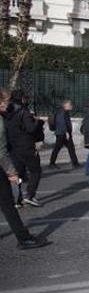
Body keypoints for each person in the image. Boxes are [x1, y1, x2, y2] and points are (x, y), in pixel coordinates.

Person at [0, 89, 47, 249]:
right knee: (6, 202)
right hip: (19, 152)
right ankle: (24, 237)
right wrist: (11, 171)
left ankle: (23, 236)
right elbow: (0, 149)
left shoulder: (7, 115)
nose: (6, 105)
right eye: (4, 102)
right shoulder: (19, 113)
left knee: (7, 202)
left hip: (14, 151)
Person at [4, 91, 44, 208]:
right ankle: (29, 196)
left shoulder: (7, 112)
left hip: (13, 147)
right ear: (21, 99)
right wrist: (37, 121)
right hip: (26, 146)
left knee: (19, 173)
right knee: (36, 171)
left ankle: (17, 199)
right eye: (25, 97)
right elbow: (31, 129)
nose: (26, 99)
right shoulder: (24, 112)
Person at [48, 100, 81, 169]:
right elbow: (62, 123)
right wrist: (66, 133)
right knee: (57, 148)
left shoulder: (64, 112)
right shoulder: (62, 113)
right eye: (70, 105)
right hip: (62, 133)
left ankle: (75, 163)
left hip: (63, 133)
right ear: (65, 106)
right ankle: (52, 163)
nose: (71, 106)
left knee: (70, 148)